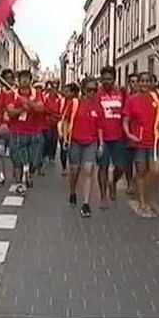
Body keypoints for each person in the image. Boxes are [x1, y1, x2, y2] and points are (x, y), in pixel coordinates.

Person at [122, 72, 159, 218]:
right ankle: (143, 202)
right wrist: (129, 134)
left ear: (152, 83)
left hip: (155, 141)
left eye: (148, 81)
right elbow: (125, 120)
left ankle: (153, 200)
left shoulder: (158, 98)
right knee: (141, 172)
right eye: (142, 81)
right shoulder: (131, 100)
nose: (144, 83)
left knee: (156, 172)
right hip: (140, 142)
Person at [61, 77, 104, 217]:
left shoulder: (98, 106)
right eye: (89, 89)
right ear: (83, 89)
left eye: (94, 90)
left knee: (89, 170)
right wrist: (65, 138)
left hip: (91, 142)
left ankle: (86, 204)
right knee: (74, 171)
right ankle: (72, 192)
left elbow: (100, 127)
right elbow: (66, 121)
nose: (92, 92)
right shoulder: (74, 103)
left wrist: (101, 144)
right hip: (75, 141)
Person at [6, 70, 45, 195]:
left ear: (30, 80)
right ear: (18, 80)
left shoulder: (37, 93)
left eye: (27, 78)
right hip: (18, 131)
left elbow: (40, 108)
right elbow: (10, 112)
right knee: (17, 160)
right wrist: (22, 108)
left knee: (35, 160)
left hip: (34, 132)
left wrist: (28, 103)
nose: (24, 80)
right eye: (22, 78)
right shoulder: (12, 94)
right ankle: (18, 183)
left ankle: (30, 173)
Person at [96, 66, 127, 208]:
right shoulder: (96, 93)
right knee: (103, 166)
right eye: (104, 79)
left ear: (114, 79)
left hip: (119, 136)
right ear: (101, 80)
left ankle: (113, 182)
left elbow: (128, 113)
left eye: (110, 79)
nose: (107, 82)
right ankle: (103, 197)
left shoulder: (122, 92)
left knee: (121, 166)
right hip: (101, 137)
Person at [0, 69, 17, 186]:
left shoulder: (16, 93)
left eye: (10, 78)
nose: (9, 80)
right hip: (0, 125)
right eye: (6, 78)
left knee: (13, 152)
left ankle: (15, 174)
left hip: (13, 126)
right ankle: (1, 175)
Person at [124, 73, 139, 196]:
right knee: (128, 162)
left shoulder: (143, 97)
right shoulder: (126, 97)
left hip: (140, 135)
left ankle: (136, 181)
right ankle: (129, 182)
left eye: (136, 82)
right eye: (132, 82)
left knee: (140, 161)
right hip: (127, 135)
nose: (134, 84)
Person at [43, 80, 63, 164]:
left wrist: (57, 116)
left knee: (54, 139)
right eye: (52, 87)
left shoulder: (60, 97)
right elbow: (44, 107)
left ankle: (52, 156)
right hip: (47, 121)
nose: (54, 89)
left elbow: (61, 109)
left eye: (56, 87)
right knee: (48, 137)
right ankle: (45, 153)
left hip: (56, 121)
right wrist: (50, 113)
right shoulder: (45, 96)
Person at [33, 81, 48, 176]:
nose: (38, 90)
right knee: (36, 147)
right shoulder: (33, 98)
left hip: (44, 126)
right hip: (34, 127)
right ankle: (34, 166)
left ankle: (39, 166)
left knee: (42, 148)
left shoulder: (44, 98)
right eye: (37, 88)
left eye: (40, 88)